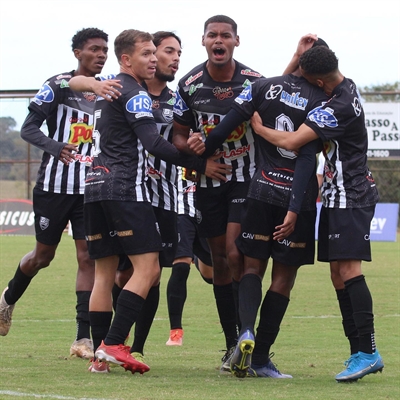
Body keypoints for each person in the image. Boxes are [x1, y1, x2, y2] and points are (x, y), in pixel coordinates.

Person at [81, 29, 230, 374]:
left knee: (104, 276)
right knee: (147, 269)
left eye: (154, 53)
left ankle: (98, 362)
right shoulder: (136, 93)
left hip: (94, 186)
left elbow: (75, 82)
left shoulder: (108, 86)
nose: (153, 60)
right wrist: (198, 163)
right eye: (147, 54)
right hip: (125, 188)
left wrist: (85, 83)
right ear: (127, 60)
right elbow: (153, 143)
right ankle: (114, 344)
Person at [187, 35, 329, 378]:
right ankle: (262, 358)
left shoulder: (262, 87)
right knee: (283, 280)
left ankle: (244, 331)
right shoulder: (322, 100)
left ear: (298, 61)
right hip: (296, 199)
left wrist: (201, 155)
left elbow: (224, 127)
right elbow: (308, 157)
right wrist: (297, 207)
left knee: (251, 268)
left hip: (260, 191)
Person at [250, 45, 384, 382]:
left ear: (321, 82)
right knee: (337, 273)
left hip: (351, 195)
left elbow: (294, 142)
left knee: (349, 269)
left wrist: (260, 127)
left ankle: (368, 351)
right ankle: (357, 352)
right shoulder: (346, 86)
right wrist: (300, 54)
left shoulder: (336, 106)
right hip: (339, 196)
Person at [0, 27, 110, 360]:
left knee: (87, 258)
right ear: (78, 52)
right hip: (54, 187)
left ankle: (82, 339)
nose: (101, 54)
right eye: (94, 49)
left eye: (105, 49)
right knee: (42, 257)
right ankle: (7, 300)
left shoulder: (108, 92)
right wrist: (55, 146)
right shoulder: (59, 86)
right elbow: (29, 128)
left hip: (89, 189)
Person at [173, 14, 263, 371]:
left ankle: (247, 332)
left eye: (226, 35)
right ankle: (232, 345)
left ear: (236, 42)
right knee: (219, 264)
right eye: (213, 35)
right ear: (204, 41)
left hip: (245, 177)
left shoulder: (254, 82)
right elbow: (178, 135)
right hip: (208, 182)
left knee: (234, 250)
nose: (219, 40)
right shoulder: (190, 83)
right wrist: (194, 150)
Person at [165, 165, 214, 346]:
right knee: (181, 266)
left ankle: (198, 256)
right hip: (180, 211)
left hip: (207, 212)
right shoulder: (173, 138)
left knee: (211, 275)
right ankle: (175, 331)